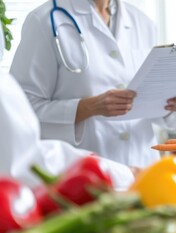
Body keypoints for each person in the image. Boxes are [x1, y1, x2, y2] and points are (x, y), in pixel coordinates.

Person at [10, 0, 176, 168]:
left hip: (142, 168)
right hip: (81, 173)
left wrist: (170, 103)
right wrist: (88, 107)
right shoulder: (43, 20)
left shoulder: (142, 22)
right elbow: (20, 110)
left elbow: (147, 98)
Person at [0, 27, 134, 191]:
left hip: (138, 162)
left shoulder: (141, 19)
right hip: (85, 183)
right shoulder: (43, 20)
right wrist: (123, 174)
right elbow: (24, 159)